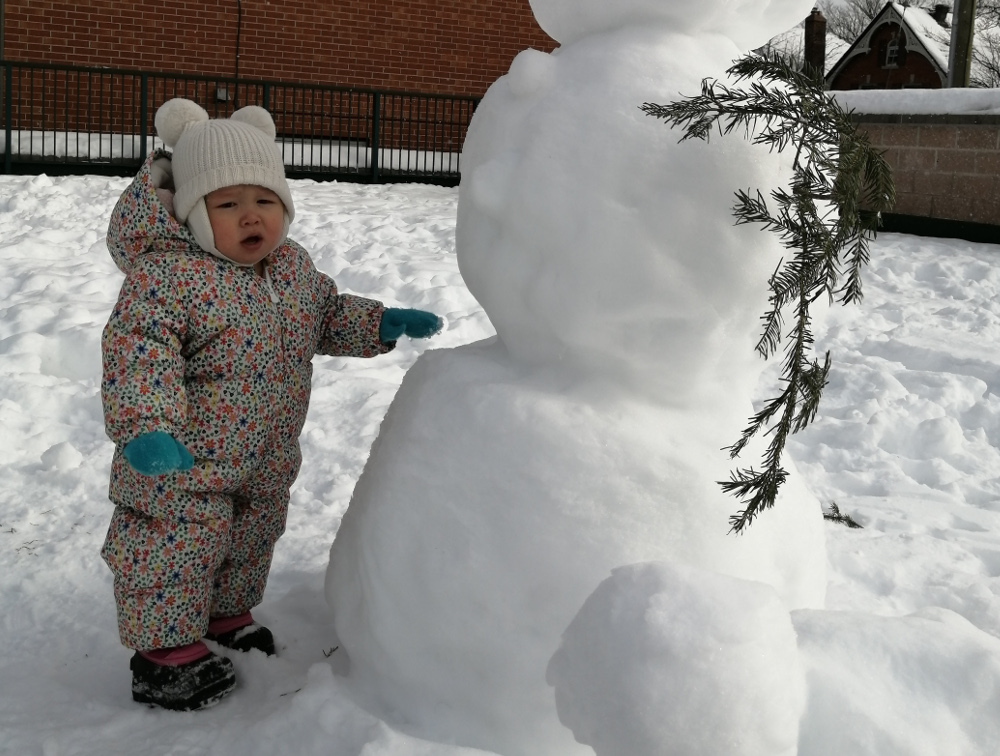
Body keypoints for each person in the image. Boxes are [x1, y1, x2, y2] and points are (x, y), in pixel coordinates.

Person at [100, 98, 442, 711]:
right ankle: (163, 655)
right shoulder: (167, 276)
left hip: (265, 453)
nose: (250, 217)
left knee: (251, 535)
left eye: (265, 202)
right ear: (191, 214)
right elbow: (139, 352)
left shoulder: (290, 269)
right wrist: (147, 428)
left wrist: (382, 322)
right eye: (227, 204)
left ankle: (226, 615)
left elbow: (328, 314)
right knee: (175, 543)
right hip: (181, 461)